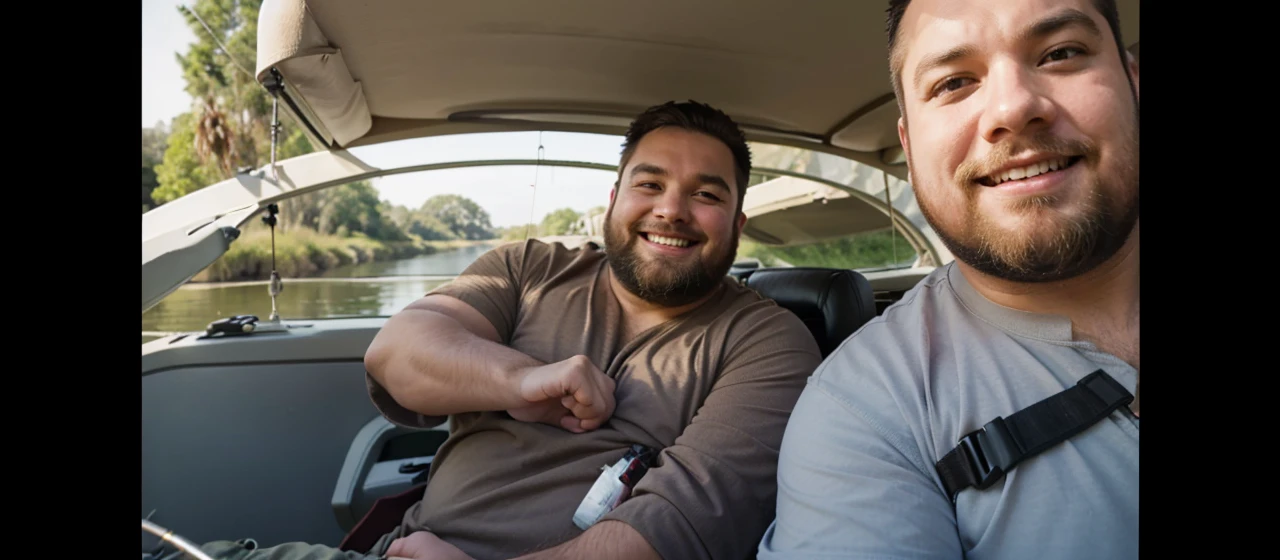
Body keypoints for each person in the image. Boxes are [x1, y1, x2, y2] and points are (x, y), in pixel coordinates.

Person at [186, 100, 823, 560]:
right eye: (649, 183)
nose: (671, 209)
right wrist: (518, 380)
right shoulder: (530, 266)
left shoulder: (769, 344)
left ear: (739, 225)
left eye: (706, 195)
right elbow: (397, 351)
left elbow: (671, 530)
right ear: (613, 201)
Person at [758, 0, 1139, 558]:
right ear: (909, 149)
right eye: (954, 82)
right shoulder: (862, 412)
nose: (1012, 108)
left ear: (1134, 86)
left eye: (1061, 53)